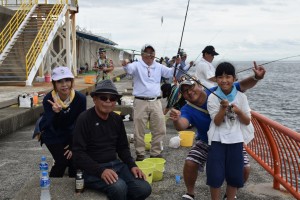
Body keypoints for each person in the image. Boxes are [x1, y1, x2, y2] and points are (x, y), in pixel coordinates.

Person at [169, 62, 265, 200]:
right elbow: (181, 125)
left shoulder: (217, 91)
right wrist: (176, 119)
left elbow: (242, 85)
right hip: (206, 141)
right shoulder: (187, 109)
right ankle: (190, 193)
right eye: (184, 91)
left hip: (231, 139)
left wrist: (256, 78)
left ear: (200, 85)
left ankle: (230, 194)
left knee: (245, 168)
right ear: (182, 95)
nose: (189, 92)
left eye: (192, 87)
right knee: (190, 162)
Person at [72, 80, 151, 200]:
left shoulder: (117, 119)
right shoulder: (84, 119)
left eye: (112, 98)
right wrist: (101, 171)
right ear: (94, 99)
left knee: (144, 188)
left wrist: (132, 165)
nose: (108, 101)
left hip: (116, 164)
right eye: (103, 98)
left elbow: (123, 147)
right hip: (91, 169)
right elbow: (78, 153)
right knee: (119, 188)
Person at [206, 62, 254, 200]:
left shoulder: (241, 97)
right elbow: (217, 121)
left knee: (234, 175)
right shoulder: (212, 97)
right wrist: (222, 109)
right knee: (215, 175)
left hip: (236, 140)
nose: (224, 80)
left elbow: (247, 121)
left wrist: (238, 111)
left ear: (234, 78)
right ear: (216, 79)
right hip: (217, 140)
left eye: (228, 77)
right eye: (220, 77)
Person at [122, 44, 175, 161]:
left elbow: (170, 73)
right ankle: (140, 153)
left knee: (160, 128)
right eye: (147, 52)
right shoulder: (137, 65)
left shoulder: (159, 66)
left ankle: (155, 152)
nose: (150, 54)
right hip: (140, 101)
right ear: (142, 54)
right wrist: (125, 63)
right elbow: (129, 69)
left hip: (156, 101)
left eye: (152, 52)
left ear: (155, 54)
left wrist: (176, 63)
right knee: (139, 129)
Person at [39, 66, 87, 177]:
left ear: (71, 81)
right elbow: (54, 125)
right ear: (54, 83)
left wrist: (72, 145)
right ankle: (51, 186)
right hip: (52, 133)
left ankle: (73, 187)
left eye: (67, 80)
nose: (64, 84)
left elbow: (80, 123)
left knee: (75, 161)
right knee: (62, 161)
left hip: (70, 132)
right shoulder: (49, 99)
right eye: (59, 81)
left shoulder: (80, 98)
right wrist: (57, 113)